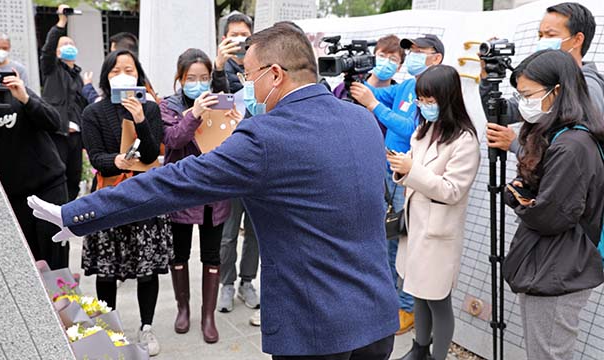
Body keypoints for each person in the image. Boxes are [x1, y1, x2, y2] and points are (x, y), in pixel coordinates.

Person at [29, 25, 400, 359]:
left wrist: (75, 214)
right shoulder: (362, 119)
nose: (247, 87)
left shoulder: (266, 136)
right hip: (377, 318)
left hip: (314, 329)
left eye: (249, 75)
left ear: (275, 75)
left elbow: (173, 182)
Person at [501, 49, 604, 360]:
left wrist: (520, 200)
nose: (523, 104)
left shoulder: (571, 145)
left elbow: (550, 216)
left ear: (557, 91)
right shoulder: (563, 136)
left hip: (558, 269)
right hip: (557, 263)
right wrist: (528, 193)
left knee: (548, 354)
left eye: (528, 94)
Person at [78, 49, 172, 356]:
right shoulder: (93, 113)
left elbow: (149, 155)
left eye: (129, 69)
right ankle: (110, 329)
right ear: (107, 76)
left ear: (138, 75)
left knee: (147, 268)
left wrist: (141, 118)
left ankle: (146, 327)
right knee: (107, 270)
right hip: (108, 195)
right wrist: (117, 160)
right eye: (116, 70)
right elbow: (96, 158)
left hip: (145, 196)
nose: (123, 74)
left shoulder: (151, 109)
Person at [350, 34, 444, 336]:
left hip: (408, 175)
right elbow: (373, 92)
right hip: (388, 170)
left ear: (436, 58)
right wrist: (372, 71)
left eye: (420, 51)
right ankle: (388, 302)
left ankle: (405, 307)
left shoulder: (434, 91)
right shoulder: (406, 85)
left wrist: (374, 105)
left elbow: (412, 127)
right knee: (386, 237)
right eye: (411, 51)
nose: (413, 56)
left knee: (402, 241)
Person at [388, 65, 480, 360]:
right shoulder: (423, 130)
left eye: (430, 100)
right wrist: (402, 168)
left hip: (438, 233)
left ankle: (437, 356)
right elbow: (414, 170)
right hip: (415, 226)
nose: (424, 106)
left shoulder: (464, 140)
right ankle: (419, 349)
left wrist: (411, 170)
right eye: (421, 100)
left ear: (447, 97)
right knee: (417, 293)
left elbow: (452, 190)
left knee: (438, 300)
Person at [0, 44, 68, 269]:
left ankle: (66, 301)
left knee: (57, 262)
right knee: (26, 265)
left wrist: (26, 99)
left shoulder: (14, 91)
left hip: (48, 186)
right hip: (10, 198)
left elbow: (55, 123)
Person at [160, 47, 235, 343]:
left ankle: (208, 316)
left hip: (214, 190)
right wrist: (194, 114)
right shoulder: (169, 105)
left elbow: (229, 139)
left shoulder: (219, 103)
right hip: (181, 189)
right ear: (180, 78)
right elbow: (173, 139)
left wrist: (231, 120)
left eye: (204, 77)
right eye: (192, 77)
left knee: (211, 255)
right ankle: (183, 309)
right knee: (178, 253)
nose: (199, 83)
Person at [483, 2, 604, 153]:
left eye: (550, 35)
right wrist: (487, 76)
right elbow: (502, 113)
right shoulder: (548, 81)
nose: (542, 41)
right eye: (540, 35)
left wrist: (516, 145)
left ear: (577, 39)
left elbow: (572, 153)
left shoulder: (588, 88)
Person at [215, 12, 262, 315]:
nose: (239, 41)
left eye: (244, 35)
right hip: (232, 164)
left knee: (256, 231)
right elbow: (214, 102)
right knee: (228, 232)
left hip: (260, 164)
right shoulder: (217, 69)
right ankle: (227, 283)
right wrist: (218, 67)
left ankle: (247, 281)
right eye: (233, 35)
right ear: (223, 38)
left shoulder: (262, 68)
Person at [40, 4, 89, 202]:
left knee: (74, 176)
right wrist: (61, 23)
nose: (69, 46)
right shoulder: (51, 69)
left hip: (76, 136)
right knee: (56, 175)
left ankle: (66, 212)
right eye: (64, 44)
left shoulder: (79, 75)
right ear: (57, 52)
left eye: (71, 43)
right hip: (57, 131)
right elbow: (48, 49)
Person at [333, 34, 406, 137]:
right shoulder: (349, 86)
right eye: (382, 55)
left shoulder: (399, 97)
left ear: (399, 67)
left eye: (393, 59)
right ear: (372, 57)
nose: (386, 62)